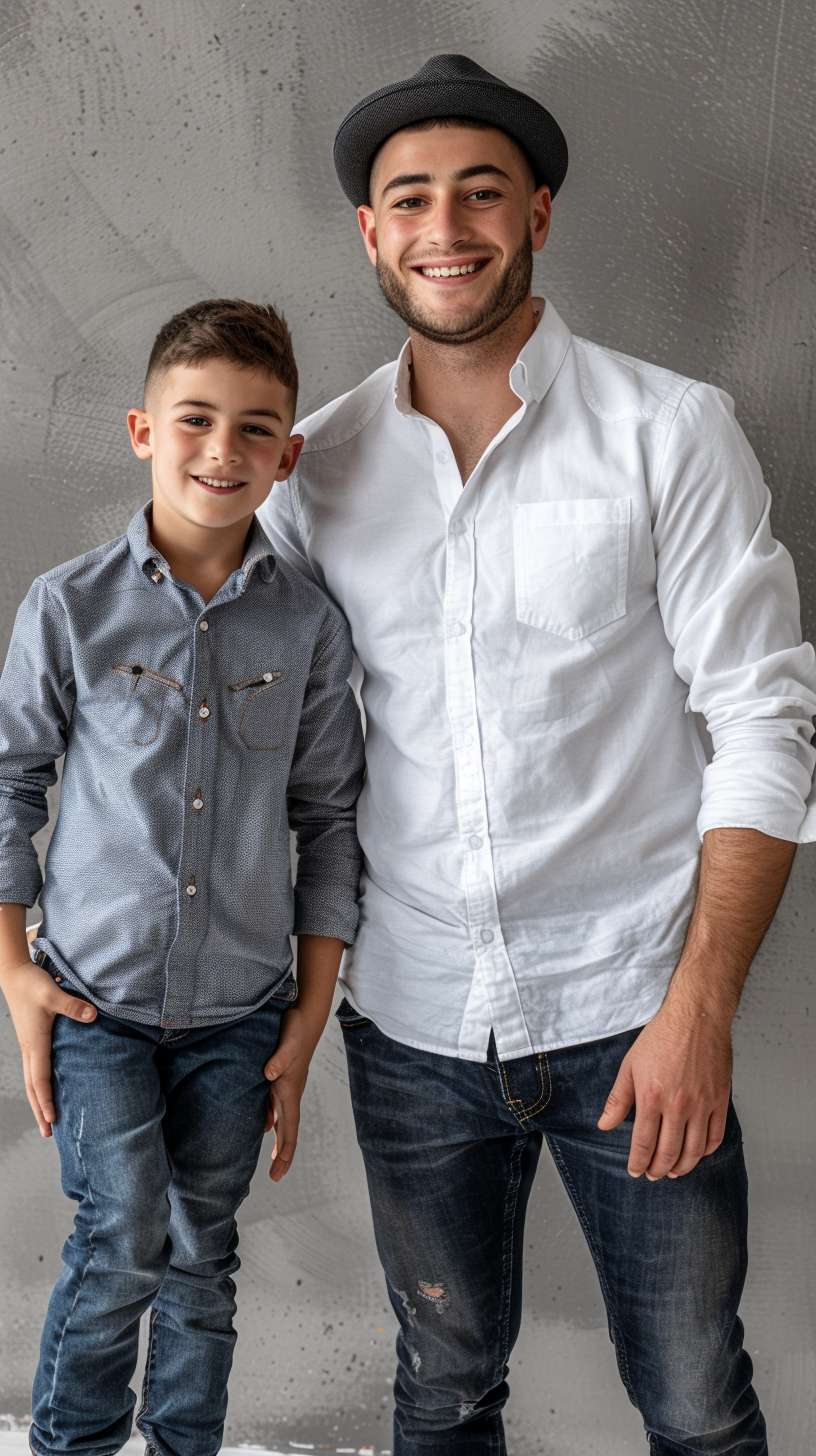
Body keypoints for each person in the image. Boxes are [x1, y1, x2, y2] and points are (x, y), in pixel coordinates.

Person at [258, 54, 816, 1456]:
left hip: (635, 1007)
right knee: (440, 1388)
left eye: (481, 194)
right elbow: (254, 734)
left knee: (695, 1400)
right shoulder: (308, 474)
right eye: (412, 201)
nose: (447, 228)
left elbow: (764, 716)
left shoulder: (668, 434)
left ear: (541, 215)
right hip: (409, 1019)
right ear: (372, 235)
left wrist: (700, 1010)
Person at [0, 298, 365, 1456]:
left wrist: (308, 1018)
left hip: (240, 1015)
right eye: (195, 420)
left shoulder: (307, 625)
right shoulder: (69, 606)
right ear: (141, 430)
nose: (224, 451)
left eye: (256, 429)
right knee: (122, 1234)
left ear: (288, 454)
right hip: (93, 1001)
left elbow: (330, 819)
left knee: (205, 1248)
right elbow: (7, 782)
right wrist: (12, 971)